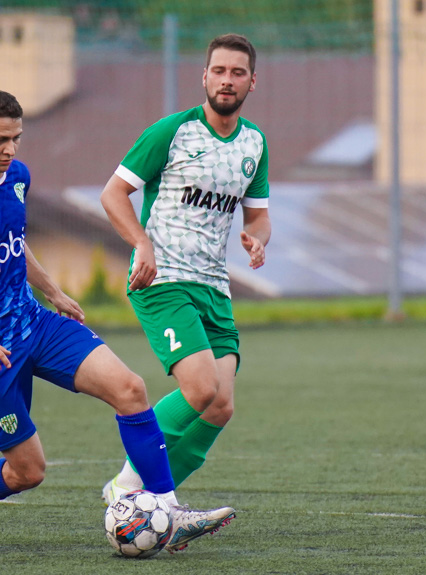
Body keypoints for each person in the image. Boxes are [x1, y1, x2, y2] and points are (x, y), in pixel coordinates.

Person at [0, 89, 235, 553]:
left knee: (131, 389)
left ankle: (165, 506)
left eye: (17, 138)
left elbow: (15, 243)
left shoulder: (17, 176)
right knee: (27, 473)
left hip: (37, 325)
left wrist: (52, 290)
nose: (10, 150)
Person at [99, 34, 271, 503]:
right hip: (162, 279)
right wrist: (141, 243)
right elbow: (112, 194)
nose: (227, 80)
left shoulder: (254, 144)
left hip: (214, 287)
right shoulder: (172, 131)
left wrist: (258, 237)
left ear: (252, 82)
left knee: (220, 408)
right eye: (219, 71)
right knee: (200, 389)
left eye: (237, 73)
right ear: (205, 76)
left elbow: (258, 214)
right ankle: (130, 489)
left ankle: (154, 506)